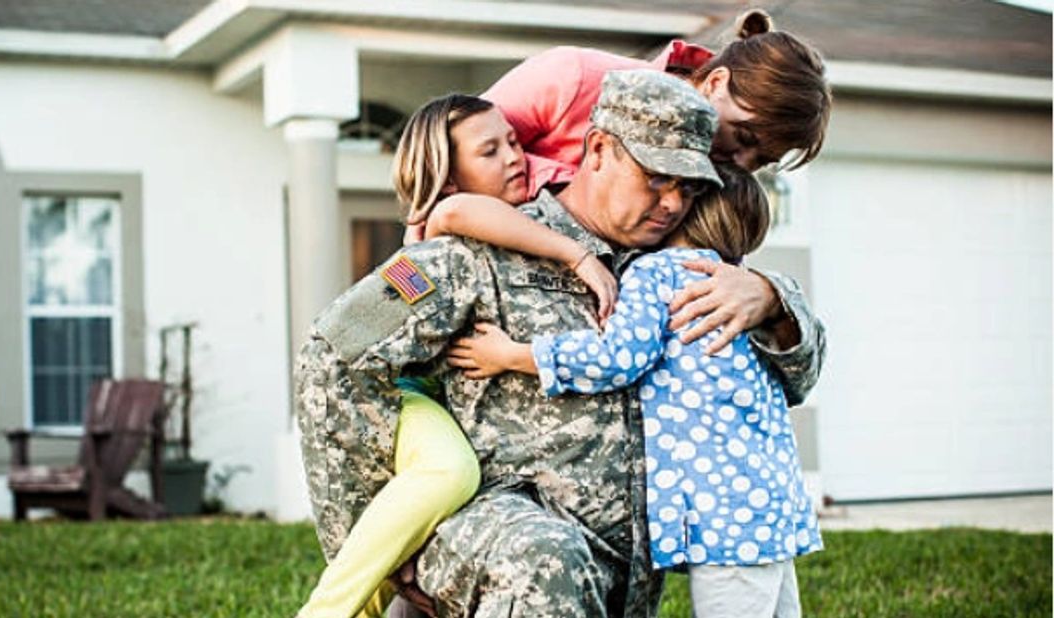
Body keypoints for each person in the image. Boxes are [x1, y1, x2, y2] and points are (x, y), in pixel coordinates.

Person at [296, 69, 819, 617]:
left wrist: (771, 299)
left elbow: (800, 376)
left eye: (687, 187)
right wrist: (371, 539)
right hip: (514, 536)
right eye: (655, 178)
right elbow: (335, 354)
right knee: (547, 562)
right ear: (598, 149)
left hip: (626, 568)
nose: (670, 202)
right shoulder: (482, 245)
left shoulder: (679, 261)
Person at [446, 163, 823, 618]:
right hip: (770, 501)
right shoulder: (739, 289)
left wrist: (512, 355)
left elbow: (616, 358)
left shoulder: (659, 273)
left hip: (724, 516)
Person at [298, 94, 618, 618]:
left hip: (437, 414)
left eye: (513, 142)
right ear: (448, 176)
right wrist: (576, 254)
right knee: (452, 473)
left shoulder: (499, 227)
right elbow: (458, 209)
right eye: (490, 151)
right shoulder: (445, 222)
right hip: (407, 400)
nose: (514, 157)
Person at [482, 9, 831, 370]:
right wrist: (572, 247)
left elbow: (783, 370)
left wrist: (771, 298)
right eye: (742, 136)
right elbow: (439, 170)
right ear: (715, 82)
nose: (741, 163)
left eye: (762, 160)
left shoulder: (719, 191)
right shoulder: (572, 80)